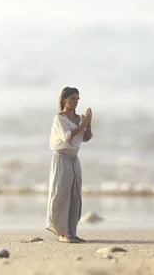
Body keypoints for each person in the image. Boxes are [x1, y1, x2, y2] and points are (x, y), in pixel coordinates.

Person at [45, 87, 93, 243]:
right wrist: (82, 124)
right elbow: (66, 137)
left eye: (78, 99)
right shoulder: (60, 118)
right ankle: (62, 232)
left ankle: (72, 232)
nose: (76, 101)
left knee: (75, 195)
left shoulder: (79, 118)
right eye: (73, 98)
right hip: (62, 158)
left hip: (74, 158)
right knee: (61, 193)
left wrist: (88, 123)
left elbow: (86, 138)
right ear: (64, 99)